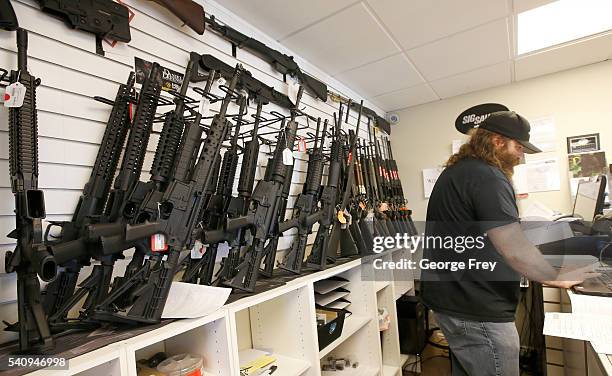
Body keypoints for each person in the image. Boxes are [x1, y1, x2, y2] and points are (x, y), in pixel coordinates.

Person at [419, 111, 599, 376]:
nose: (521, 156)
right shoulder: (487, 176)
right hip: (475, 310)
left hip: (456, 302)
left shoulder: (462, 171)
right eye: (519, 147)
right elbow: (512, 248)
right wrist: (555, 275)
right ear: (497, 141)